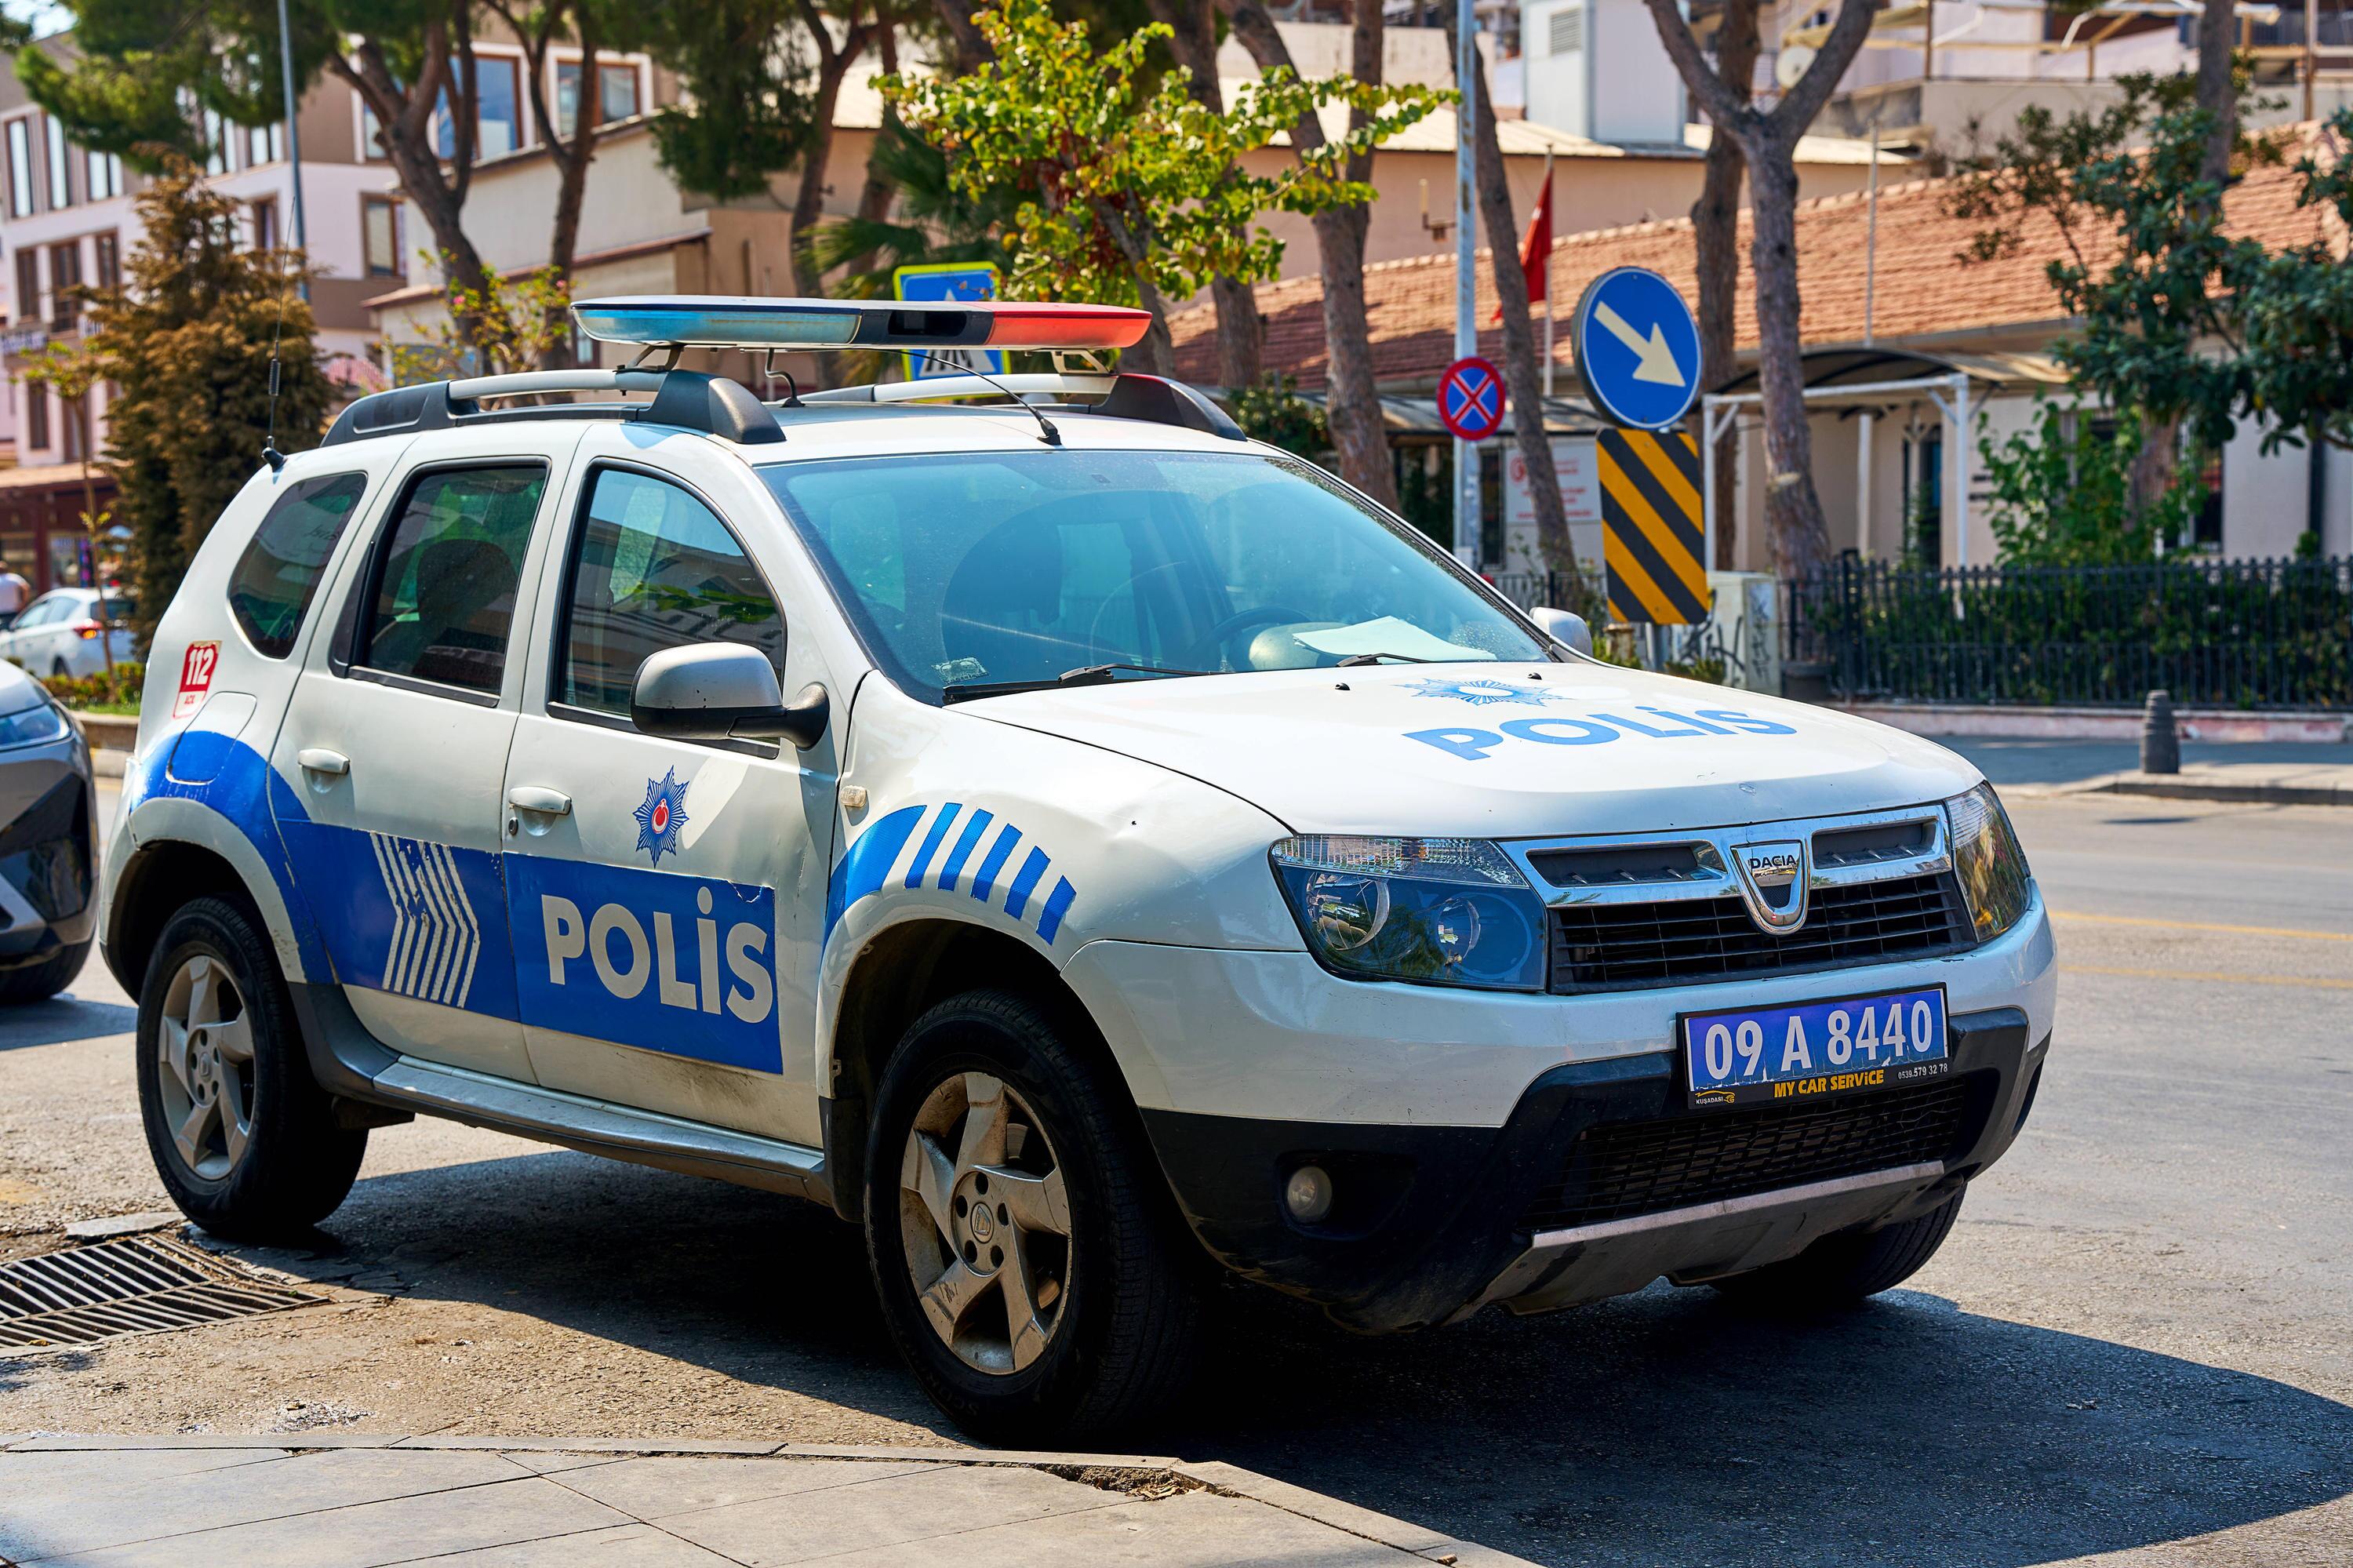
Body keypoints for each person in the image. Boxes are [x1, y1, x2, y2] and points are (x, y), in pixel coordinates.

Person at [0, 560, 29, 630]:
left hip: (5, 611)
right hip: (14, 610)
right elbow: (26, 588)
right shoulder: (14, 578)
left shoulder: (14, 578)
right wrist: (23, 603)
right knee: (13, 630)